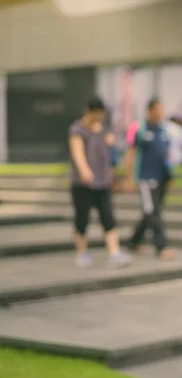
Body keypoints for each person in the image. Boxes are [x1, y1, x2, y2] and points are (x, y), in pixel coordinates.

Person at [68, 97, 132, 268]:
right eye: (97, 114)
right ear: (88, 111)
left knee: (108, 218)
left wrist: (115, 177)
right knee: (82, 219)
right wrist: (84, 170)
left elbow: (109, 157)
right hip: (83, 185)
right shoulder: (77, 130)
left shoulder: (104, 131)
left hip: (103, 183)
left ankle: (114, 253)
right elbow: (77, 152)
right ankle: (81, 253)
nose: (100, 117)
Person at [124, 98, 176, 260]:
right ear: (150, 110)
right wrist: (129, 178)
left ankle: (133, 241)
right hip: (146, 178)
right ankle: (161, 246)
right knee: (153, 212)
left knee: (151, 212)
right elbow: (131, 154)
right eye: (158, 109)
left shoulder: (164, 130)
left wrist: (170, 176)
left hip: (162, 178)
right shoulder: (139, 129)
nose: (161, 113)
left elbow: (166, 155)